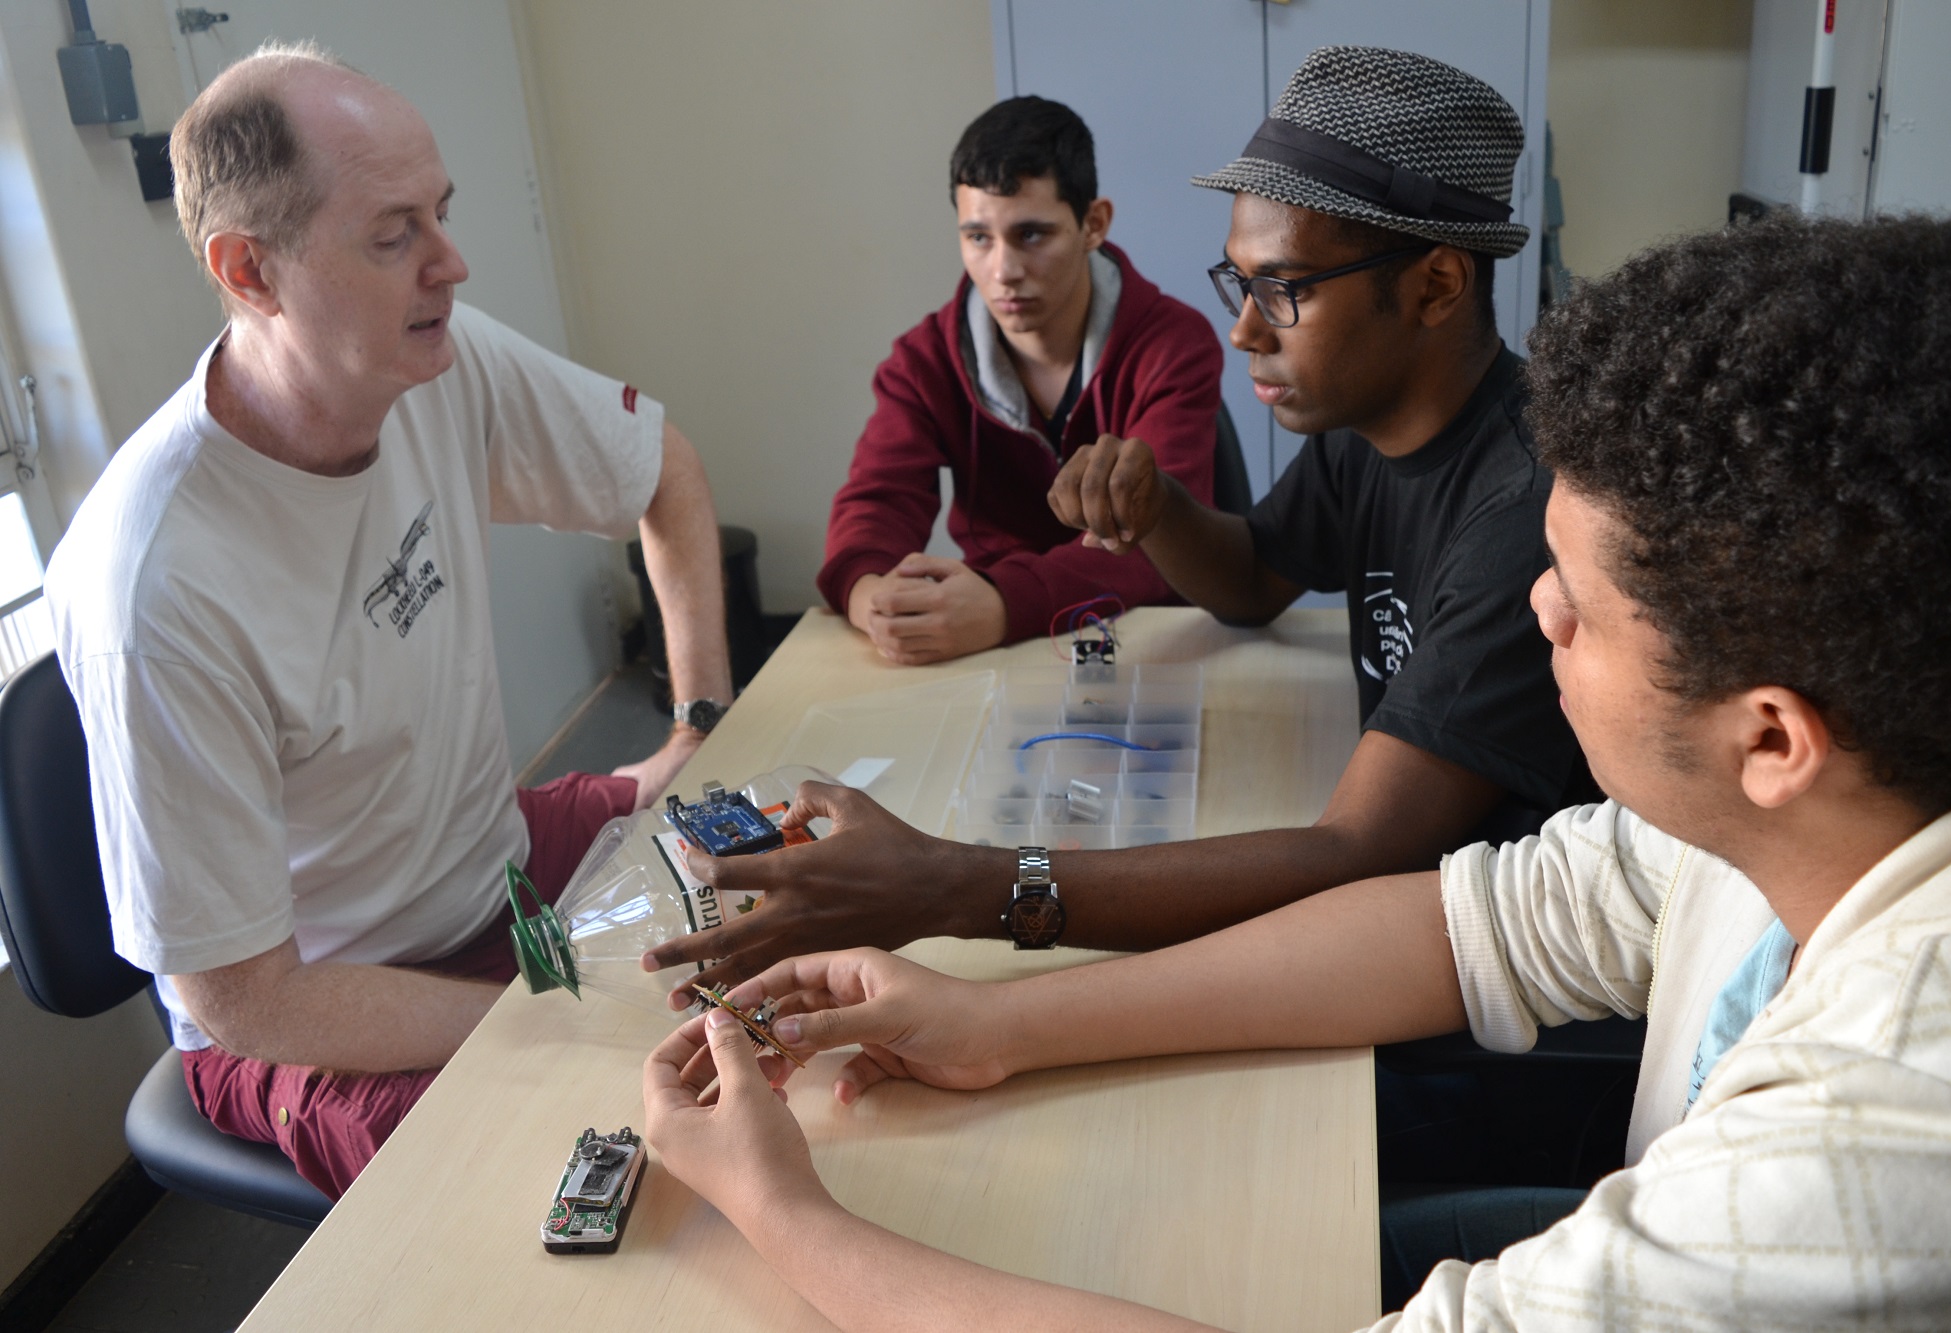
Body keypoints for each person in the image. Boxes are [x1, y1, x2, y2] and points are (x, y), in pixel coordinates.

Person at [640, 211, 1951, 1329]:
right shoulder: (1804, 804)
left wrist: (785, 1214)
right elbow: (1468, 922)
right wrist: (992, 1023)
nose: (1540, 614)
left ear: (1771, 737)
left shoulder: (1899, 1119)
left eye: (1581, 601)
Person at [648, 48, 1589, 988]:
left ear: (1435, 286)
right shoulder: (1369, 429)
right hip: (1396, 915)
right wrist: (1160, 508)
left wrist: (953, 887)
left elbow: (1353, 853)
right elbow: (1258, 577)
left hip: (1496, 989)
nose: (1244, 330)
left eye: (1284, 290)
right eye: (1240, 283)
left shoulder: (1527, 519)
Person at [41, 42, 734, 1200]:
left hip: (489, 861)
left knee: (767, 893)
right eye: (392, 234)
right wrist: (546, 1019)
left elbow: (660, 469)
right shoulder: (157, 585)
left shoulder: (427, 365)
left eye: (441, 214)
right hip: (317, 1014)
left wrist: (699, 722)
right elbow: (244, 998)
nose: (451, 264)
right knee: (623, 1171)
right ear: (250, 273)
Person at [818, 95, 1223, 667]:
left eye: (1032, 235)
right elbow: (877, 505)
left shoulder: (1173, 343)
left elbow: (1155, 541)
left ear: (1093, 225)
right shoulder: (922, 361)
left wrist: (1004, 603)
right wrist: (871, 598)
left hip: (1149, 636)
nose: (1003, 270)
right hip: (987, 643)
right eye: (978, 237)